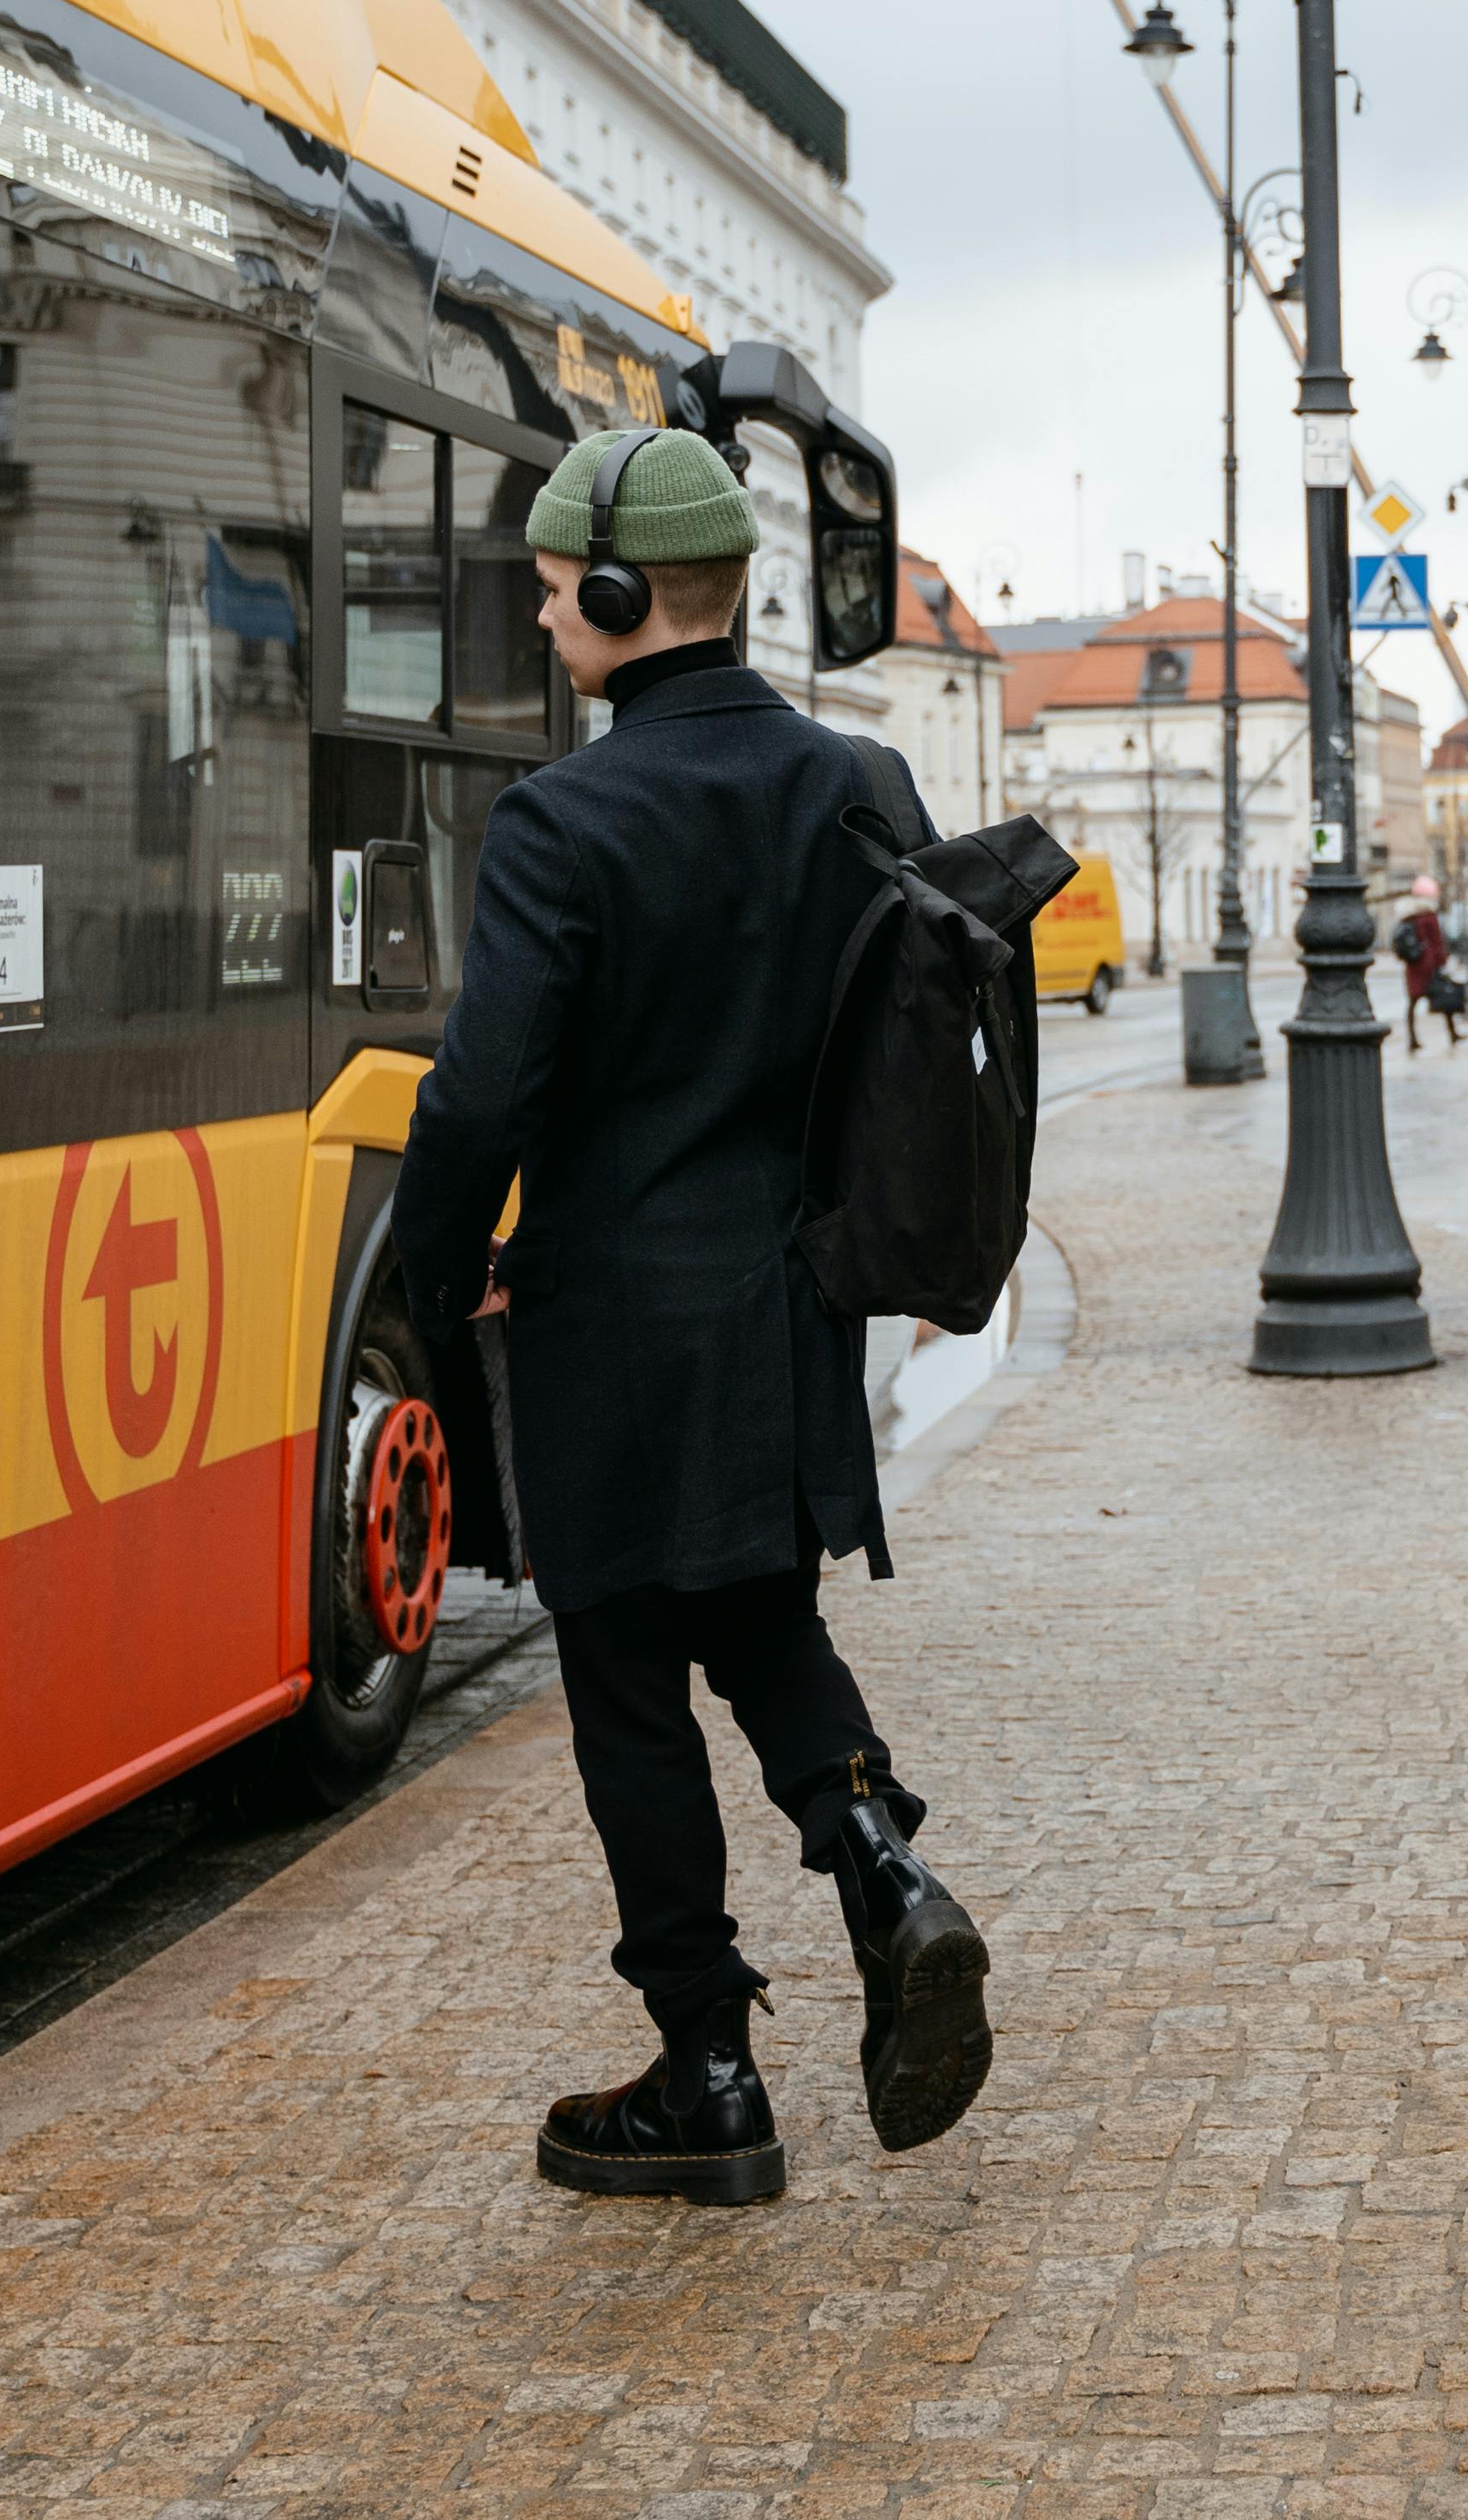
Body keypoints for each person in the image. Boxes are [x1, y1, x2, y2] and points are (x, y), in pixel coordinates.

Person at [394, 423, 992, 2208]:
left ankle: (706, 2069)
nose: (539, 616)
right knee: (755, 1611)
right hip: (787, 1308)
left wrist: (437, 1271)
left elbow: (482, 1090)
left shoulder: (562, 816)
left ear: (607, 589)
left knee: (626, 1673)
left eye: (547, 589)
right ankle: (883, 1870)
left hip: (606, 1316)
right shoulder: (862, 784)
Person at [1394, 875, 1462, 1051]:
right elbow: (1436, 942)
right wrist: (1442, 961)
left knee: (1412, 1003)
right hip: (1429, 965)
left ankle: (1412, 1039)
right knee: (1446, 998)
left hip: (1414, 966)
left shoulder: (1409, 914)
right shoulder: (1429, 916)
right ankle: (1453, 1034)